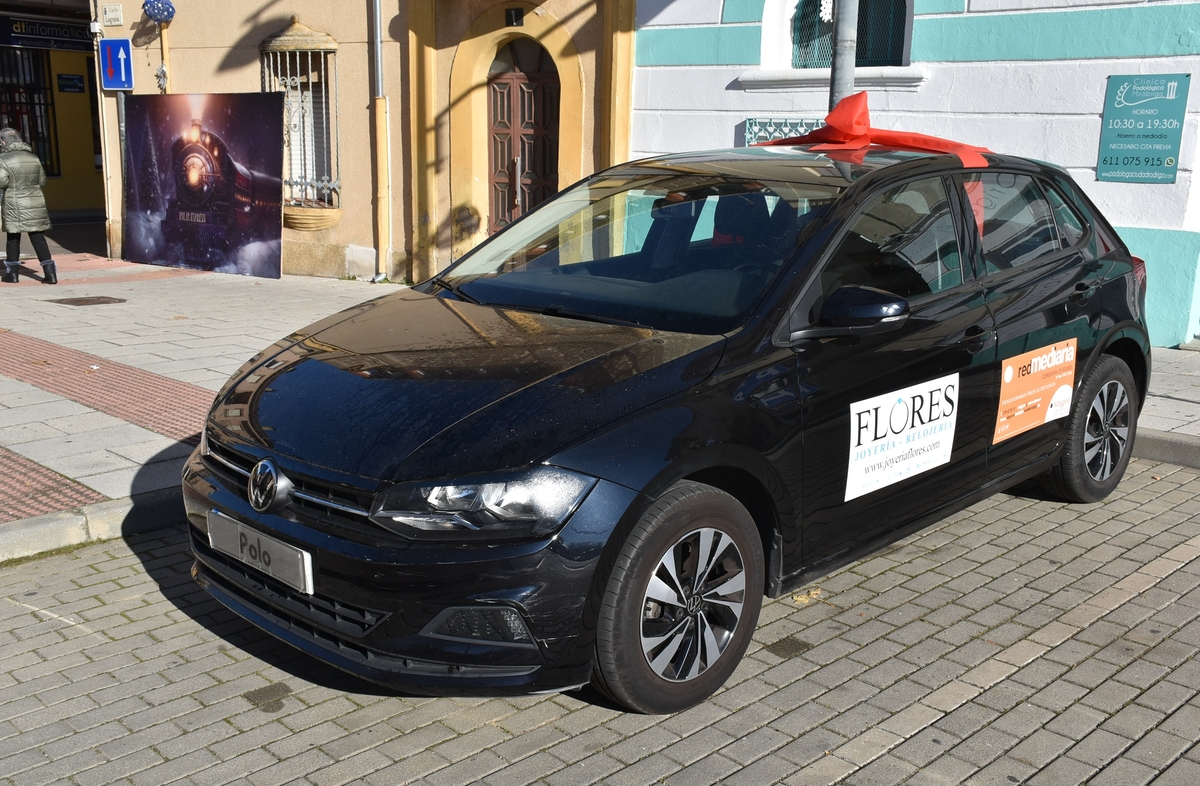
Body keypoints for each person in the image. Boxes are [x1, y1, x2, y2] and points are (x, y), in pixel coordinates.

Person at [0, 128, 55, 284]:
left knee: (13, 238)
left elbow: (2, 181)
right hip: (35, 201)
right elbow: (42, 180)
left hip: (14, 202)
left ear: (3, 142)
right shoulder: (33, 157)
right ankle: (50, 274)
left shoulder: (3, 159)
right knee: (38, 237)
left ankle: (13, 274)